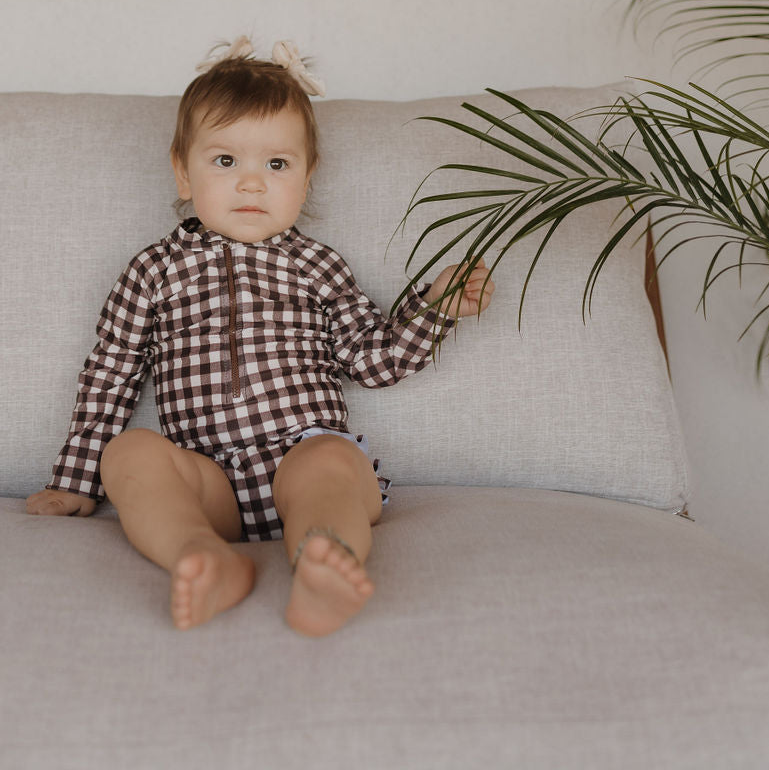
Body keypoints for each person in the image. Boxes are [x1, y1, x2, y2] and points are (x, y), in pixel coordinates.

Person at [26, 37, 494, 637]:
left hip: (301, 453)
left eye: (277, 165)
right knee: (131, 454)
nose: (252, 185)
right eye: (226, 162)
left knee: (332, 463)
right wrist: (75, 479)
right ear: (182, 170)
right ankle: (202, 555)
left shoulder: (318, 266)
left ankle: (325, 562)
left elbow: (373, 361)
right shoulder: (153, 271)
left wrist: (434, 310)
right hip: (208, 479)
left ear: (306, 176)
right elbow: (112, 373)